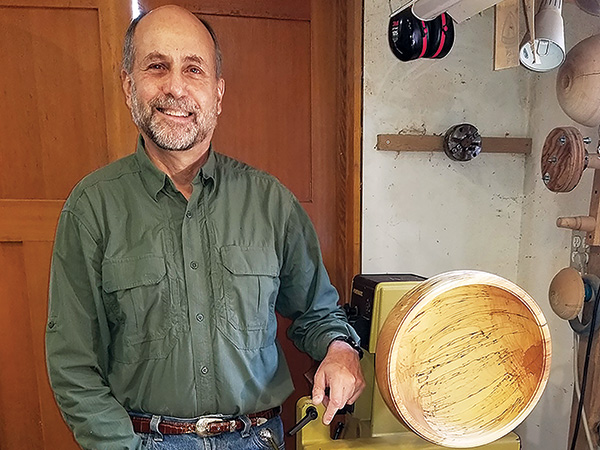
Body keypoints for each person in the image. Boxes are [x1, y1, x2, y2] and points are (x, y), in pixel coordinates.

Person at [45, 5, 365, 450]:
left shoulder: (271, 202)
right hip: (143, 442)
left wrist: (340, 350)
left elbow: (317, 312)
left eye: (193, 70)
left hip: (257, 439)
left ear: (217, 92)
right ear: (128, 84)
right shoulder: (91, 208)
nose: (175, 86)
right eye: (157, 66)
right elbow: (73, 365)